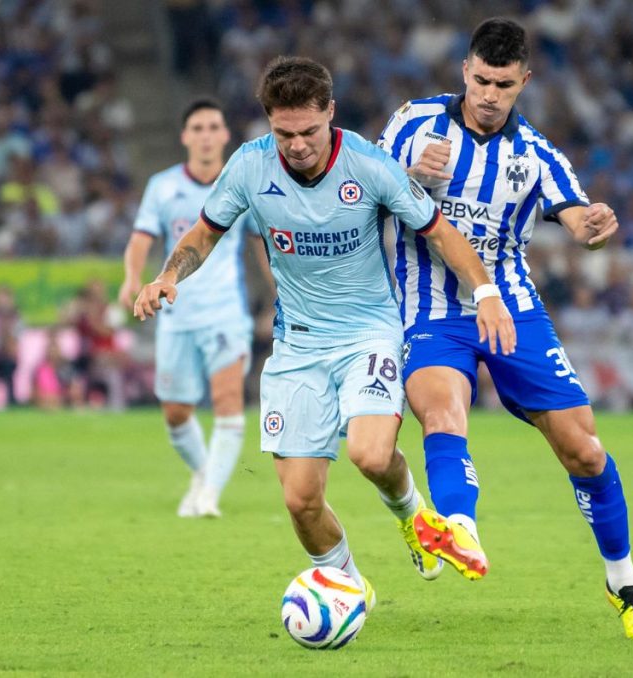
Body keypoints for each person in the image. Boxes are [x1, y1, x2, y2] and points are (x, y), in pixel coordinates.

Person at [133, 56, 515, 606]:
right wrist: (169, 275)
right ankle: (347, 586)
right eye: (283, 133)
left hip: (369, 333)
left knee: (370, 455)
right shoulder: (248, 167)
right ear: (268, 123)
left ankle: (412, 516)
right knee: (300, 502)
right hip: (297, 344)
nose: (297, 144)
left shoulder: (367, 164)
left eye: (309, 130)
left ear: (330, 113)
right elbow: (203, 234)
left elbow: (439, 231)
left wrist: (484, 293)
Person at [377, 18, 633, 640]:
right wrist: (408, 176)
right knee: (443, 414)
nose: (487, 94)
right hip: (431, 309)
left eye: (502, 85)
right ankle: (461, 530)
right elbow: (363, 193)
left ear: (523, 82)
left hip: (511, 310)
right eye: (479, 79)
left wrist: (593, 226)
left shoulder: (535, 156)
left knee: (585, 450)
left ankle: (622, 578)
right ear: (464, 71)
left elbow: (577, 217)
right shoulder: (410, 124)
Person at [119, 99, 255, 518]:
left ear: (225, 135)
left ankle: (209, 495)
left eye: (214, 126)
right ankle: (203, 474)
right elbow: (141, 238)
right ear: (185, 137)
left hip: (226, 311)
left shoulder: (239, 183)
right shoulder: (162, 186)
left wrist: (280, 291)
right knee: (177, 412)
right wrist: (131, 277)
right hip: (175, 310)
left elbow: (261, 242)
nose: (206, 135)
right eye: (197, 127)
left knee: (227, 398)